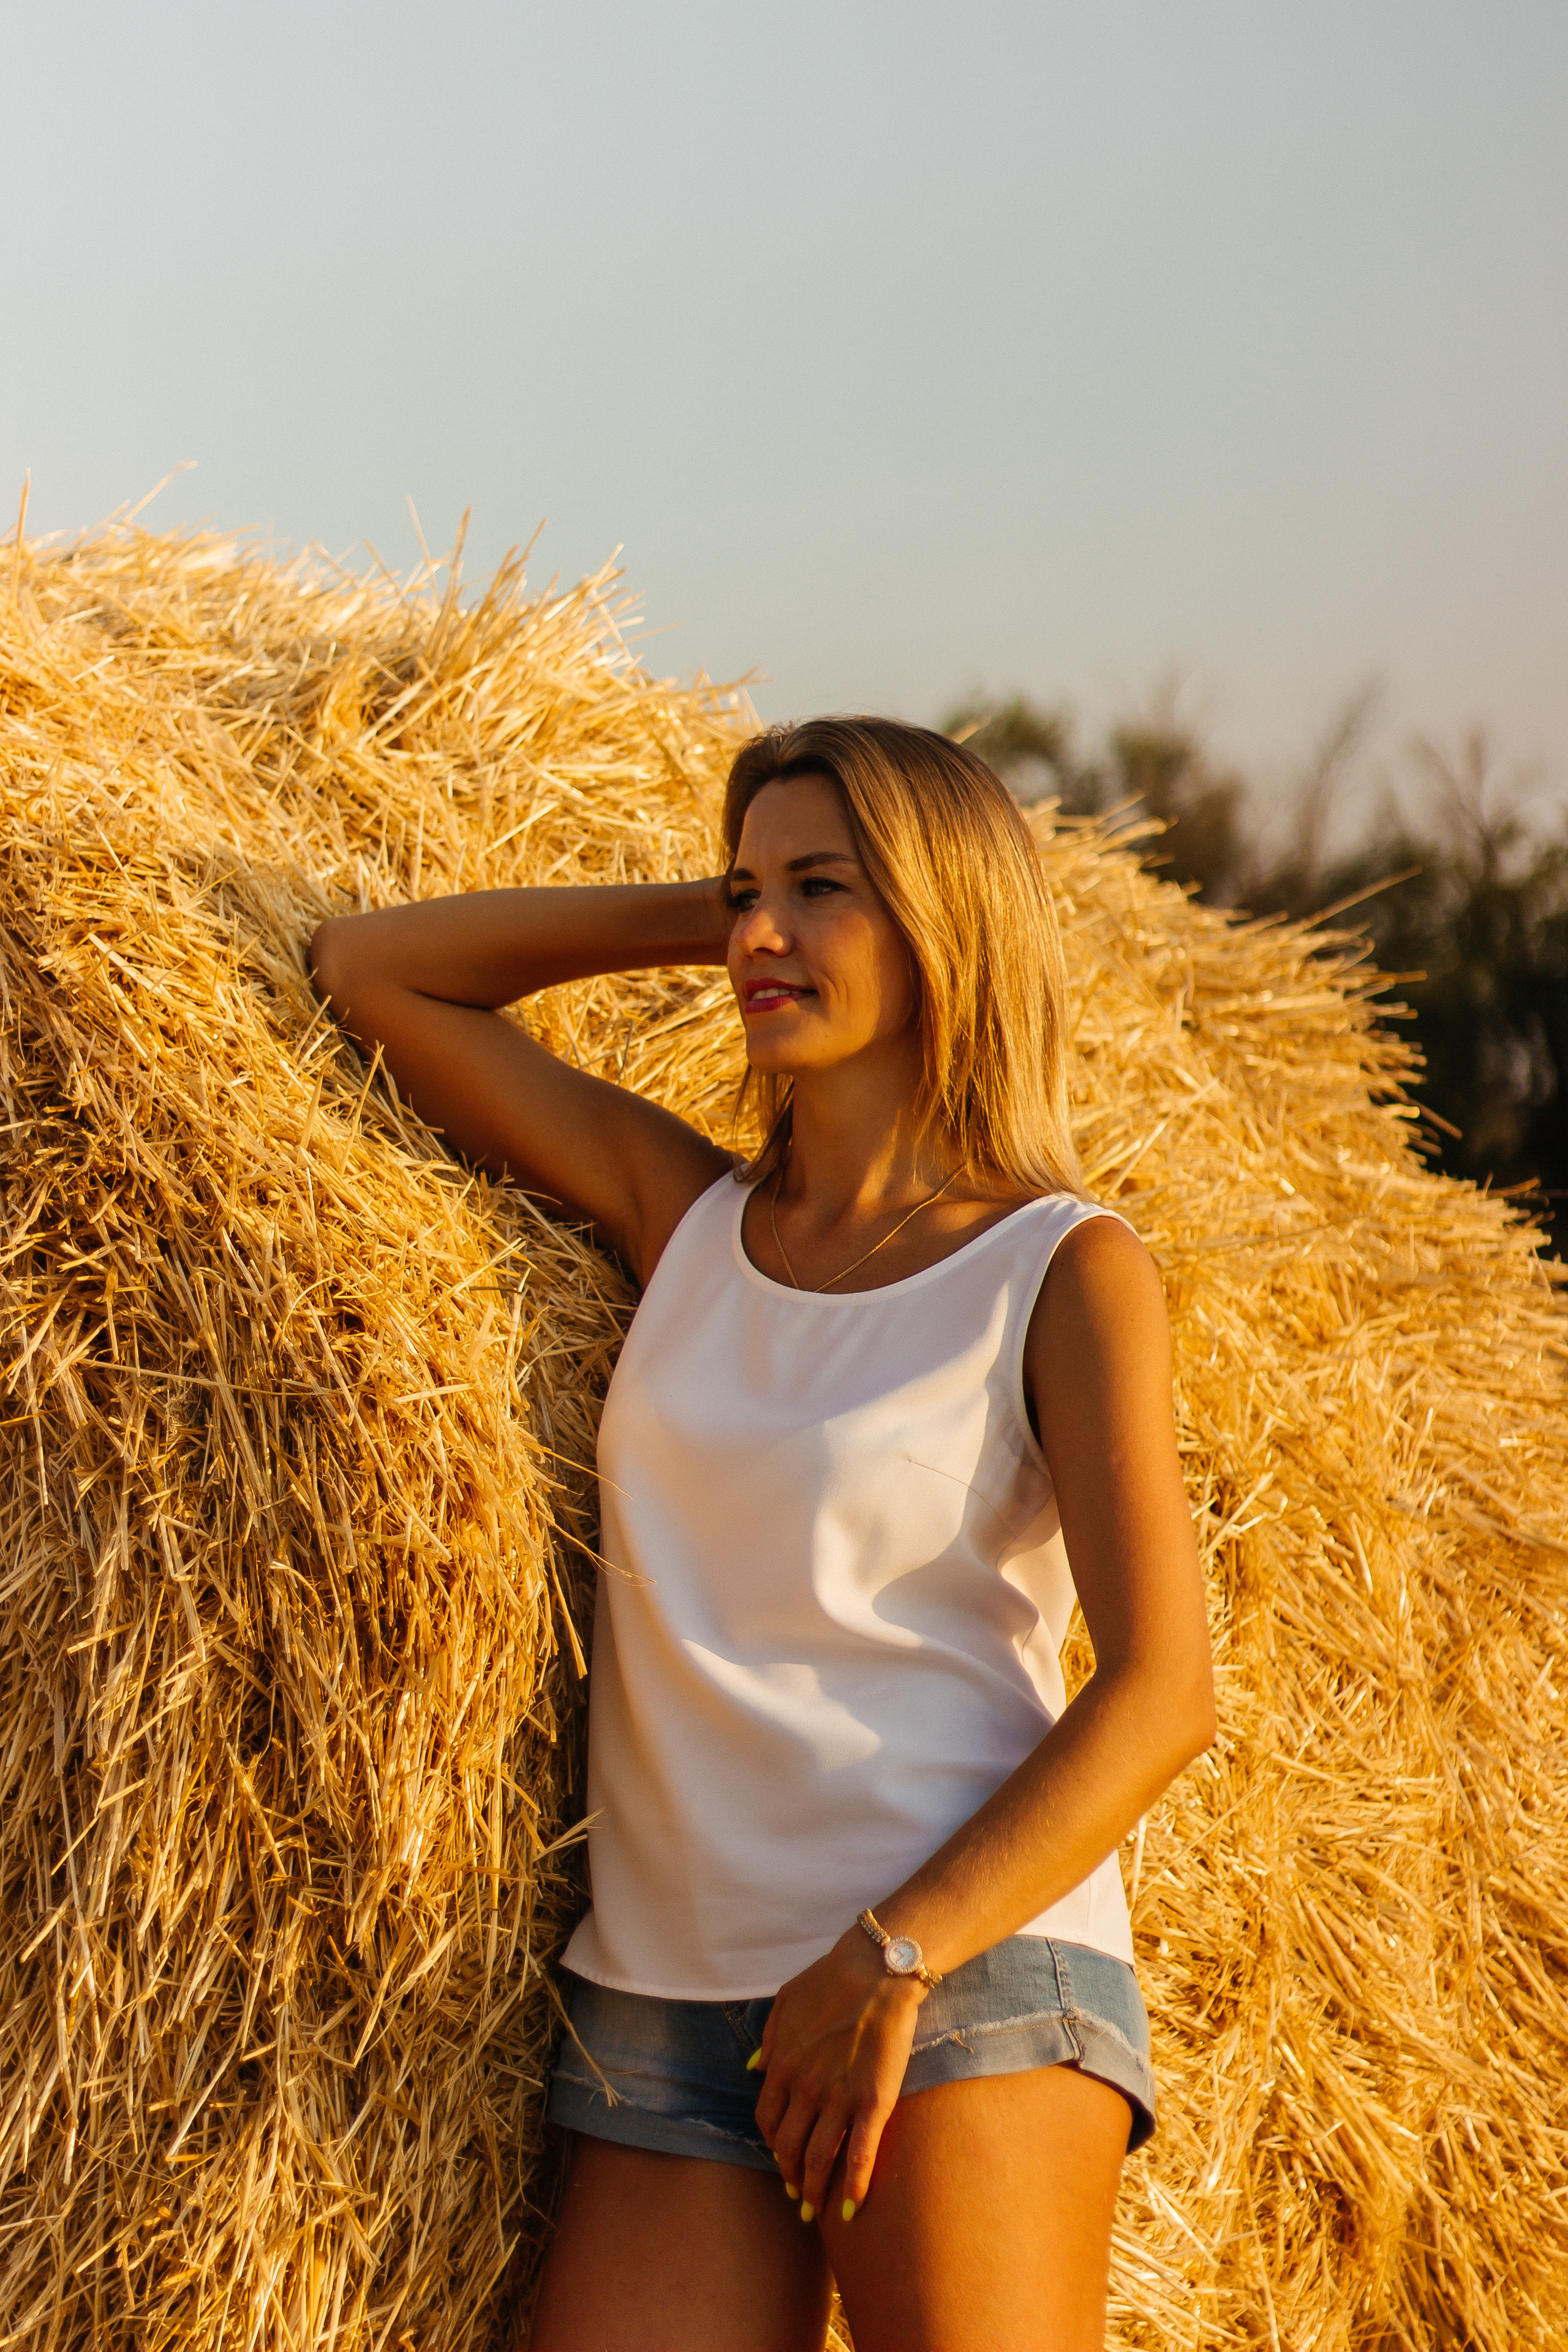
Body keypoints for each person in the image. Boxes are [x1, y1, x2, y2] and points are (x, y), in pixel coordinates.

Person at [310, 716, 1214, 2352]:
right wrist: (712, 913)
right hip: (664, 1998)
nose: (759, 935)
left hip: (950, 1988)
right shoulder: (687, 1217)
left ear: (948, 920)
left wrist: (893, 1954)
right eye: (747, 892)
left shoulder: (1060, 1269)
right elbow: (373, 971)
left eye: (822, 890)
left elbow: (1163, 1693)